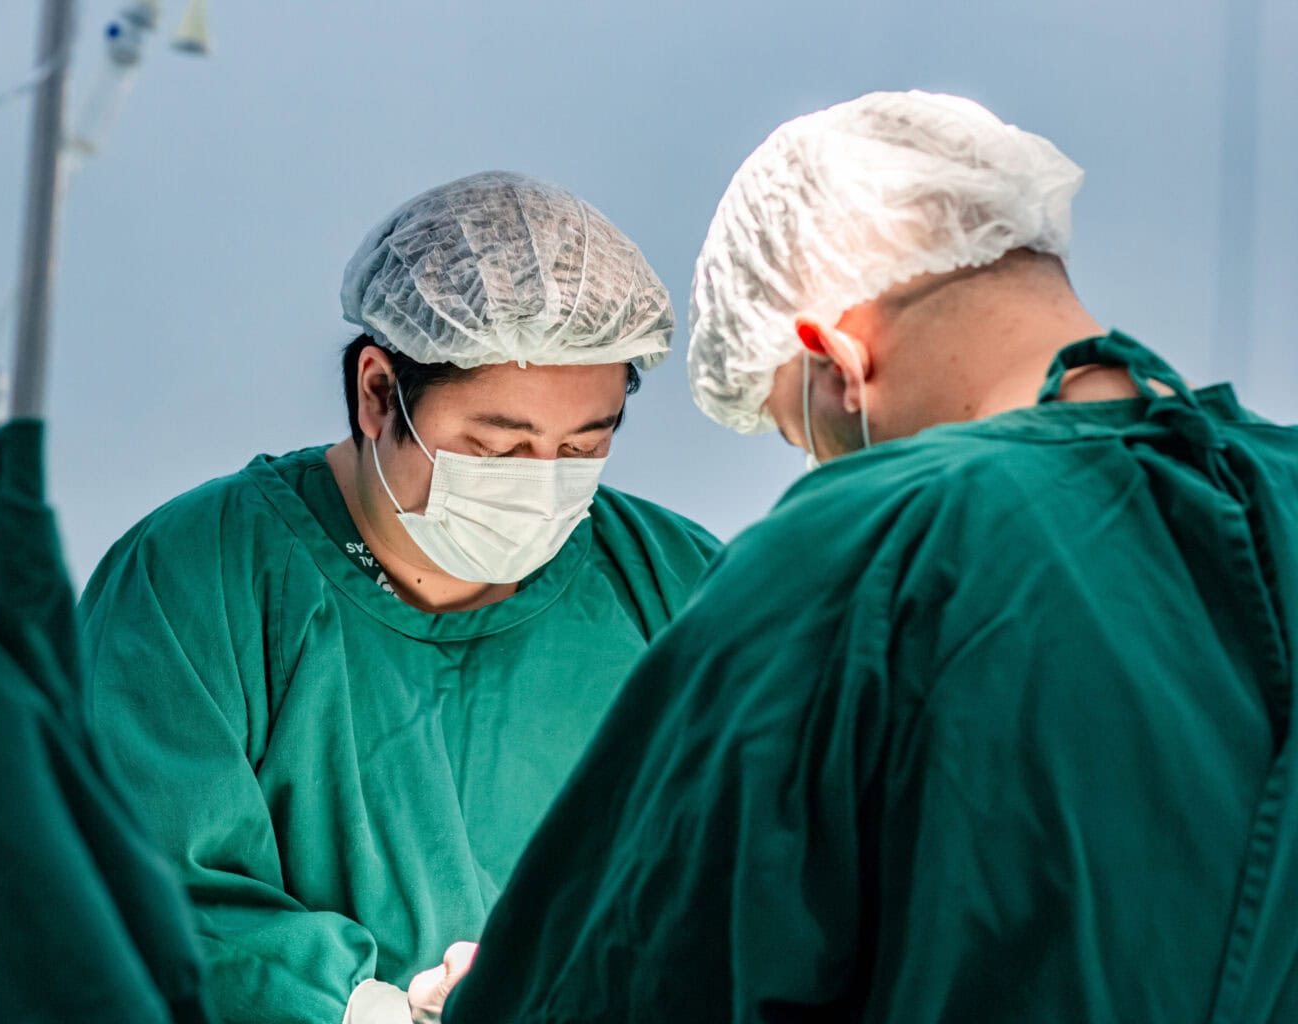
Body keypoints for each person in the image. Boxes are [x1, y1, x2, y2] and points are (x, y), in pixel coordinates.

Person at [443, 92, 1298, 1022]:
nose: (824, 470)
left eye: (803, 436)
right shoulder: (1277, 491)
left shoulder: (864, 545)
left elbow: (620, 978)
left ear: (837, 365)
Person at [76, 170, 721, 1024]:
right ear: (379, 392)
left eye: (581, 446)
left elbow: (762, 864)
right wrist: (382, 1011)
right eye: (499, 450)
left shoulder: (677, 587)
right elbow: (140, 894)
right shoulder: (196, 579)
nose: (544, 484)